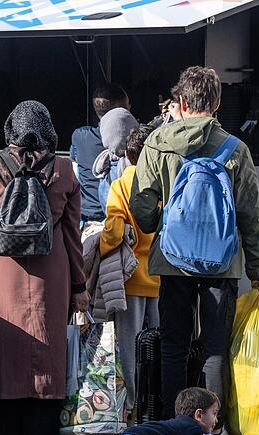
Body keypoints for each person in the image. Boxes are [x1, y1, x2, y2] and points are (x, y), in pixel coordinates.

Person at [130, 66, 259, 435]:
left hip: (173, 262)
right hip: (222, 264)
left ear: (182, 102)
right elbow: (250, 217)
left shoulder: (157, 143)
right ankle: (214, 434)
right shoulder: (235, 149)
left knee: (173, 345)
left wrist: (167, 220)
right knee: (213, 350)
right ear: (218, 103)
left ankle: (177, 429)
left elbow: (141, 211)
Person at [0, 100, 89, 435]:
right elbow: (73, 237)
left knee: (5, 363)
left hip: (1, 277)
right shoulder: (63, 170)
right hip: (53, 277)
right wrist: (79, 286)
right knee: (48, 359)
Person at [99, 125, 159, 417]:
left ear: (127, 154)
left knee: (129, 347)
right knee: (160, 344)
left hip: (132, 279)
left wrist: (97, 245)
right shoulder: (163, 182)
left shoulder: (121, 185)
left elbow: (112, 232)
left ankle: (132, 405)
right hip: (162, 278)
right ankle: (158, 402)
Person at [69, 83, 130, 224]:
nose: (130, 109)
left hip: (88, 215)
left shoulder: (80, 136)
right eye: (127, 106)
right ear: (121, 111)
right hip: (119, 216)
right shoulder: (132, 139)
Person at [112, 387, 220, 435]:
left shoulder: (178, 427)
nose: (216, 420)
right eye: (214, 413)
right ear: (199, 415)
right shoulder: (191, 428)